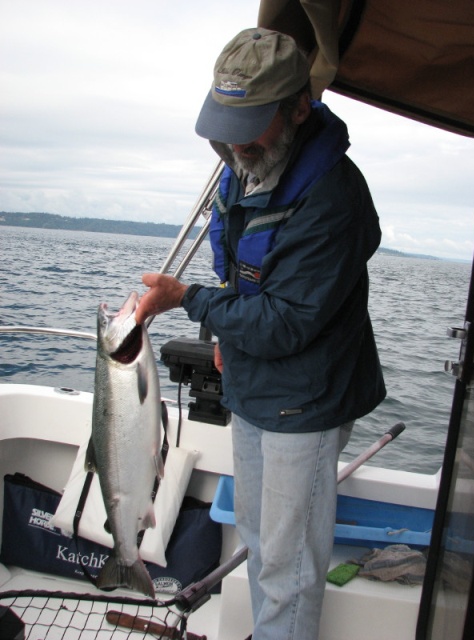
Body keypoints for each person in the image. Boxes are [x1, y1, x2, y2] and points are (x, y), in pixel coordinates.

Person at [135, 27, 386, 640]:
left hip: (305, 398)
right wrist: (223, 335)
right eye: (226, 121)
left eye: (250, 123)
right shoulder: (244, 163)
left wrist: (189, 301)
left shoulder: (332, 198)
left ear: (298, 108)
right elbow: (243, 276)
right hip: (250, 382)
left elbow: (287, 319)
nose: (234, 141)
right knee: (254, 527)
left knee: (287, 559)